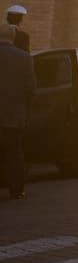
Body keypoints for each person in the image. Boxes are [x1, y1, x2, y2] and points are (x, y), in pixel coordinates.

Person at [0, 25, 29, 199]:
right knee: (14, 152)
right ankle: (16, 190)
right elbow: (31, 88)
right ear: (13, 38)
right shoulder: (24, 58)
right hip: (14, 114)